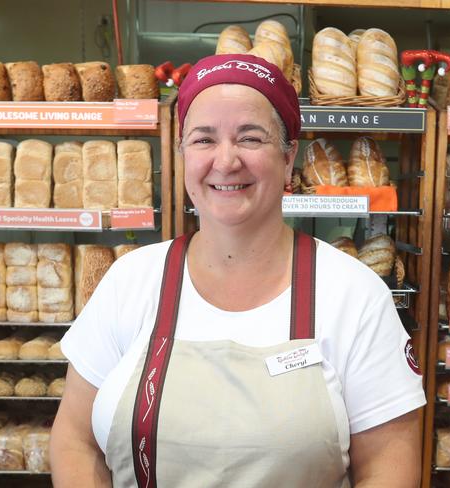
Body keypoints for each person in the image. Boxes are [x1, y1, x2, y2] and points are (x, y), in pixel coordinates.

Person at [51, 53, 426, 488]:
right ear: (181, 156)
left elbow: (387, 469)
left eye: (250, 138)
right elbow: (74, 439)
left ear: (288, 160)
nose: (226, 162)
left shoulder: (354, 295)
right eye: (204, 140)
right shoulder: (130, 281)